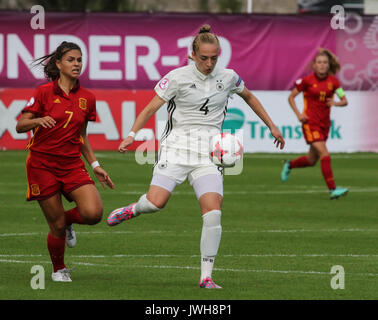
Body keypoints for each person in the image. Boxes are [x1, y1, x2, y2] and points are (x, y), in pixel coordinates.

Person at [107, 25, 285, 289]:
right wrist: (132, 134)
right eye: (204, 58)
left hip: (209, 155)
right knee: (156, 203)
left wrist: (271, 124)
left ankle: (206, 276)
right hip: (176, 149)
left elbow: (249, 96)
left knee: (213, 213)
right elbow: (149, 108)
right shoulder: (176, 78)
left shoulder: (229, 77)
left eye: (214, 57)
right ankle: (132, 209)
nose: (209, 63)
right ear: (192, 54)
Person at [16, 41, 114, 282]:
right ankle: (58, 269)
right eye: (71, 60)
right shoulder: (43, 92)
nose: (77, 64)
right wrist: (38, 120)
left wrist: (96, 165)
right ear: (58, 64)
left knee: (93, 213)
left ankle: (67, 221)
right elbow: (20, 126)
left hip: (71, 164)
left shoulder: (87, 98)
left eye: (79, 60)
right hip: (42, 165)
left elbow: (82, 136)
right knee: (56, 225)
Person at [281, 48, 348, 199]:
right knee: (325, 154)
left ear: (328, 64)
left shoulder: (334, 82)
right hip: (310, 124)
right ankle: (333, 190)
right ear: (315, 65)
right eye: (319, 62)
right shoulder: (307, 81)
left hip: (325, 125)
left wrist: (336, 103)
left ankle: (289, 165)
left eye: (325, 62)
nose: (322, 65)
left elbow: (344, 100)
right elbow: (291, 97)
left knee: (312, 160)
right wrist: (299, 114)